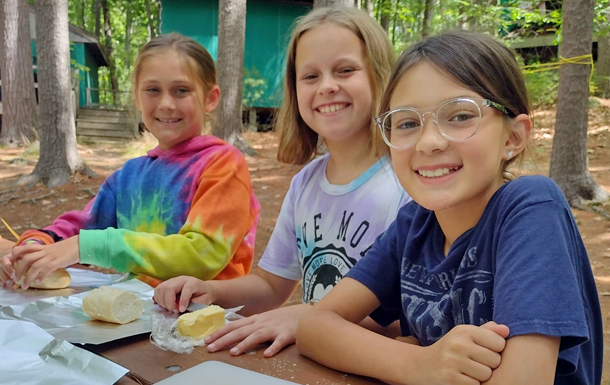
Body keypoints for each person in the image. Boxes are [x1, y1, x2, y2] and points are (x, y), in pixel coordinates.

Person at [296, 31, 603, 385]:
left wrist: (400, 356)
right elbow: (315, 326)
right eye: (408, 123)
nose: (429, 142)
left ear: (513, 137)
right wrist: (417, 362)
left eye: (459, 116)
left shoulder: (530, 208)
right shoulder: (413, 224)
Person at [154, 6, 410, 358]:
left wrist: (310, 319)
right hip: (313, 360)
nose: (327, 87)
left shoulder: (407, 184)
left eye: (345, 70)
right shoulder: (305, 183)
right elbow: (271, 285)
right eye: (310, 76)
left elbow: (413, 317)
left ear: (380, 76)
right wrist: (210, 291)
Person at [0, 33, 260, 290]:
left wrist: (92, 246)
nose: (166, 103)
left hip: (208, 320)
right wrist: (36, 247)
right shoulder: (127, 176)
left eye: (181, 90)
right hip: (139, 319)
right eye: (153, 90)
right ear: (137, 96)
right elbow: (77, 227)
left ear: (211, 98)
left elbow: (202, 255)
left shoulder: (223, 164)